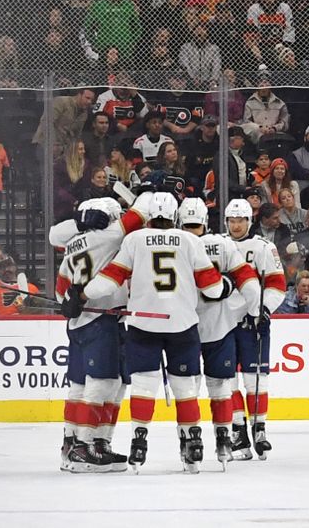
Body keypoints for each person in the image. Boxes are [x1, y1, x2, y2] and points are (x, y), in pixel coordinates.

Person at [69, 192, 226, 473]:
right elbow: (212, 289)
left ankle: (139, 439)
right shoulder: (191, 240)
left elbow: (109, 280)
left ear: (151, 215)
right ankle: (192, 439)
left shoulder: (134, 239)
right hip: (182, 324)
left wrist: (82, 294)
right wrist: (225, 286)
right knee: (184, 387)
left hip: (143, 325)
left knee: (143, 385)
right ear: (176, 215)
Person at [53, 197, 146, 473]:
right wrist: (149, 191)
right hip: (102, 319)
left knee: (88, 385)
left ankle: (78, 444)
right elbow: (138, 216)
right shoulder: (108, 237)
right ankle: (85, 445)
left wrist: (69, 301)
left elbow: (61, 293)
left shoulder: (71, 245)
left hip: (81, 323)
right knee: (104, 383)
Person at [177, 198, 261, 468]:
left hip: (183, 327)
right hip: (219, 327)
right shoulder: (223, 244)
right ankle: (224, 438)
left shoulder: (175, 244)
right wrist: (254, 310)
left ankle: (191, 441)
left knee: (187, 388)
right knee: (220, 386)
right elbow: (247, 279)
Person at [222, 199, 286, 460]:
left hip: (253, 322)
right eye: (232, 220)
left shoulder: (263, 247)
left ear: (249, 221)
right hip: (222, 322)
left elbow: (277, 284)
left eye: (241, 220)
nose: (236, 225)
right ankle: (238, 430)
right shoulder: (217, 245)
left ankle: (259, 429)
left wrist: (264, 310)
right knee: (226, 380)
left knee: (255, 378)